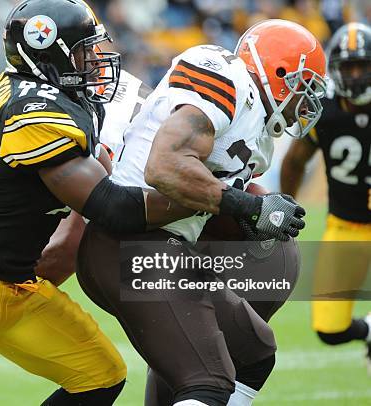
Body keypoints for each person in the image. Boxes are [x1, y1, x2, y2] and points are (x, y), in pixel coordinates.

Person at [0, 1, 194, 405]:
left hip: (18, 284)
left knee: (100, 376)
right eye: (83, 50)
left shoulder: (62, 96)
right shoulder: (33, 110)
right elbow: (110, 206)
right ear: (48, 50)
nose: (96, 60)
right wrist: (209, 200)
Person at [75, 19, 327, 406]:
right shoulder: (226, 75)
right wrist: (251, 207)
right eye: (302, 87)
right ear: (278, 74)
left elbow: (210, 200)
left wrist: (250, 220)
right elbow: (164, 167)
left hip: (164, 245)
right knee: (209, 381)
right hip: (130, 241)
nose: (304, 105)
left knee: (254, 352)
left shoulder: (257, 134)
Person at [280, 22, 371, 371]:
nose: (357, 75)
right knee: (330, 329)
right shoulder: (324, 111)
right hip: (345, 226)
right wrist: (285, 206)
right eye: (350, 67)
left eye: (363, 65)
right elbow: (294, 161)